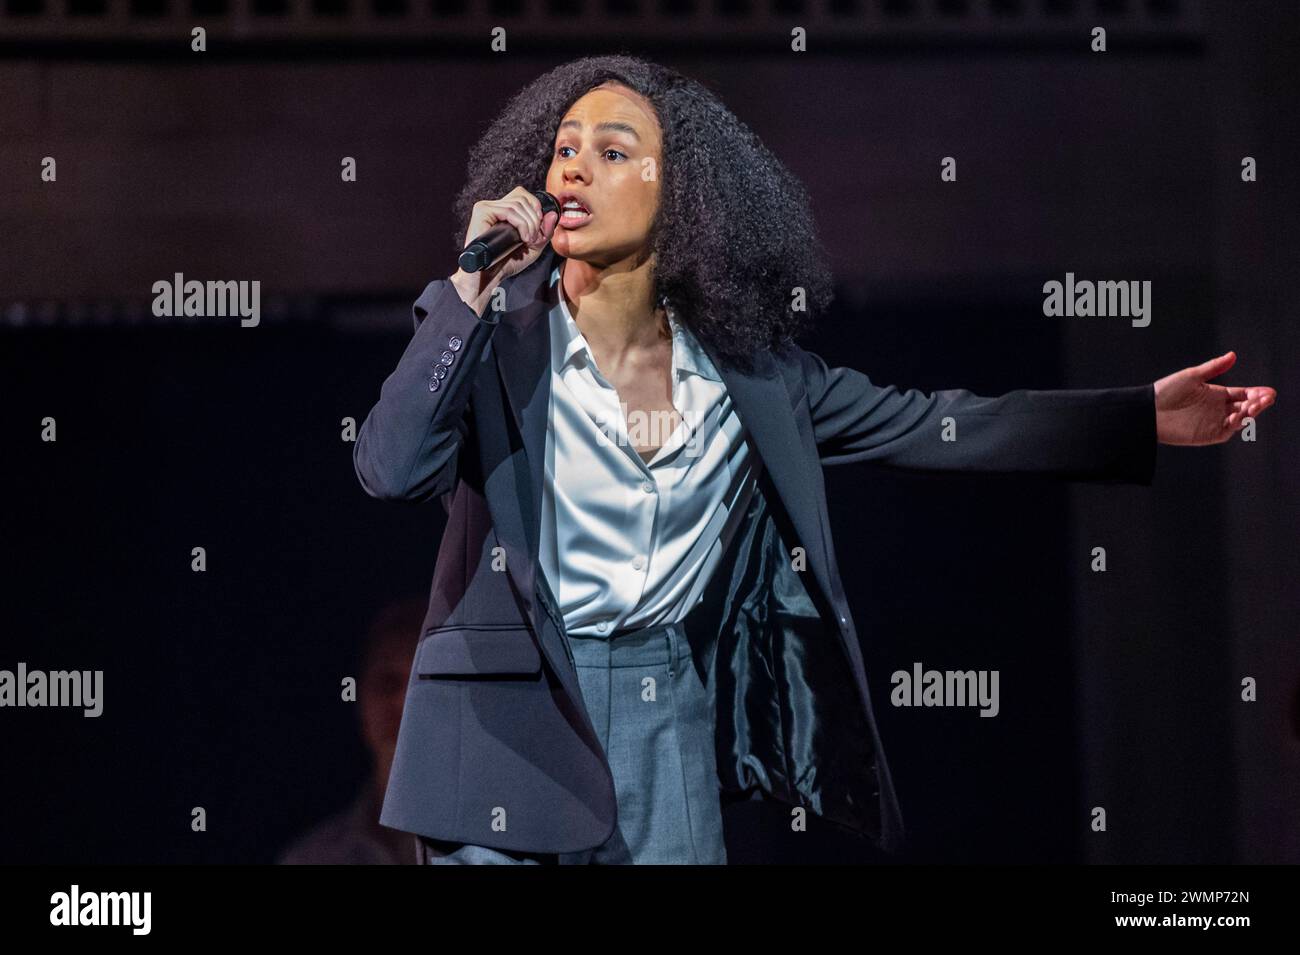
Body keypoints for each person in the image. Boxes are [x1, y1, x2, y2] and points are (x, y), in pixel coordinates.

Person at [354, 55, 1277, 865]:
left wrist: (1137, 419)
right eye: (564, 147)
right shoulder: (499, 344)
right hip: (500, 720)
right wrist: (470, 287)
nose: (574, 168)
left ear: (680, 199)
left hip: (661, 703)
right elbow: (389, 468)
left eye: (613, 149)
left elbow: (939, 425)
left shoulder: (749, 379)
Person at [277, 598, 426, 865]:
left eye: (423, 682)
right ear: (360, 702)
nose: (404, 703)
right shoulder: (312, 858)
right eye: (388, 682)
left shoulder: (495, 851)